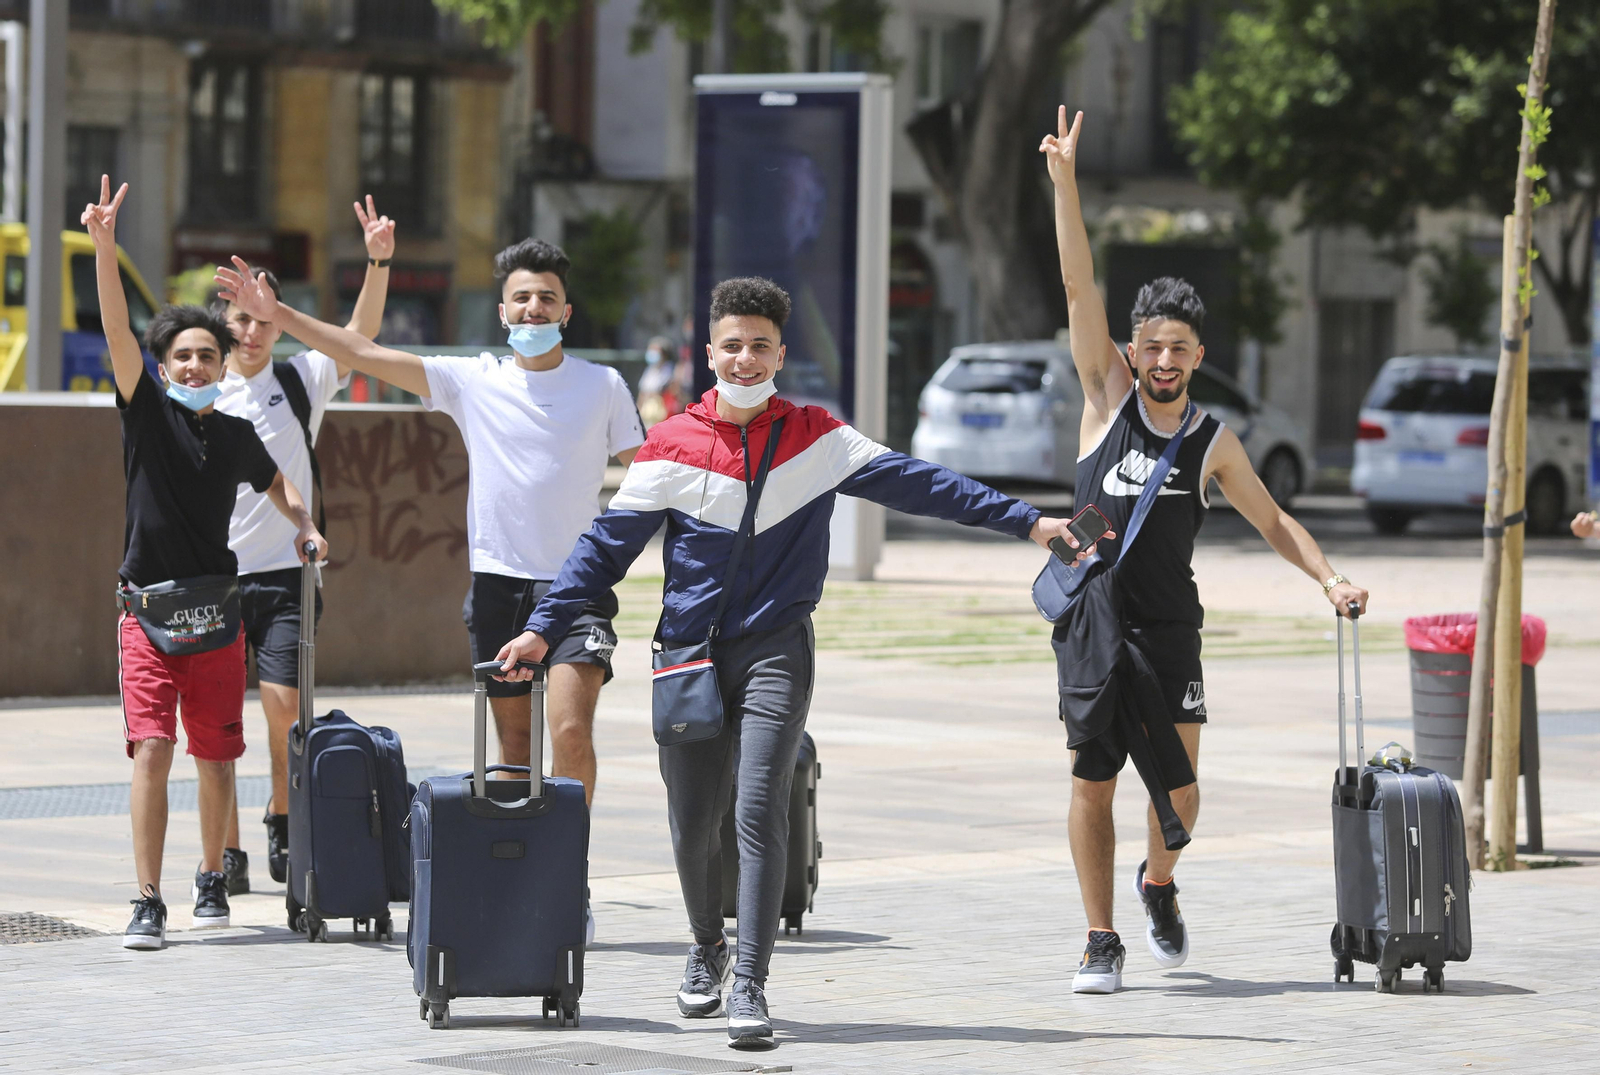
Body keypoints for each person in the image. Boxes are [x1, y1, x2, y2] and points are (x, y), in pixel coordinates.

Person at [494, 276, 1093, 1049]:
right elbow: (602, 550)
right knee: (690, 820)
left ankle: (750, 977)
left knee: (757, 805)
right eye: (732, 346)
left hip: (777, 648)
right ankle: (705, 945)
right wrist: (544, 627)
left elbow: (925, 484)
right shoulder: (671, 444)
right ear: (708, 353)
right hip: (687, 655)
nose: (746, 359)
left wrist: (1029, 522)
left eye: (761, 346)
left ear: (783, 351)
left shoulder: (817, 437)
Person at [214, 238, 645, 942]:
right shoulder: (474, 380)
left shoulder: (603, 387)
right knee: (511, 748)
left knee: (568, 729)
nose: (533, 307)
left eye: (546, 297)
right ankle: (523, 875)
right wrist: (280, 313)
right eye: (521, 297)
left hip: (576, 587)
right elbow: (360, 355)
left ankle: (570, 875)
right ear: (503, 310)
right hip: (499, 584)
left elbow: (650, 469)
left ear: (567, 311)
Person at [1040, 109, 1370, 994]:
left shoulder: (1212, 439)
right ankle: (1098, 937)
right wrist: (1066, 182)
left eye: (1177, 349)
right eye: (1149, 344)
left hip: (1169, 624)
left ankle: (1159, 884)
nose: (1160, 358)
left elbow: (1272, 520)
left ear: (1195, 357)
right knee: (1092, 777)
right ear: (1135, 349)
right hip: (1093, 621)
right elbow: (1079, 291)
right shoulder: (1105, 393)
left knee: (1179, 793)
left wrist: (1329, 575)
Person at [82, 177, 327, 951]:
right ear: (161, 366)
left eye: (206, 356)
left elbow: (279, 480)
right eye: (181, 356)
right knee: (153, 747)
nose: (194, 366)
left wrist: (304, 524)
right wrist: (103, 248)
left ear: (224, 366)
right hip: (148, 613)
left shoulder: (235, 433)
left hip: (216, 611)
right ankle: (147, 897)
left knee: (218, 758)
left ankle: (212, 873)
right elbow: (118, 329)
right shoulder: (146, 413)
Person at [210, 196, 396, 893]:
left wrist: (377, 259)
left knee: (284, 706)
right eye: (241, 319)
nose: (252, 333)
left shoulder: (300, 378)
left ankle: (282, 816)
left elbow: (361, 334)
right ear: (222, 323)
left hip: (288, 573)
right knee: (218, 717)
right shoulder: (201, 390)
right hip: (213, 579)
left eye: (264, 320)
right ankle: (223, 847)